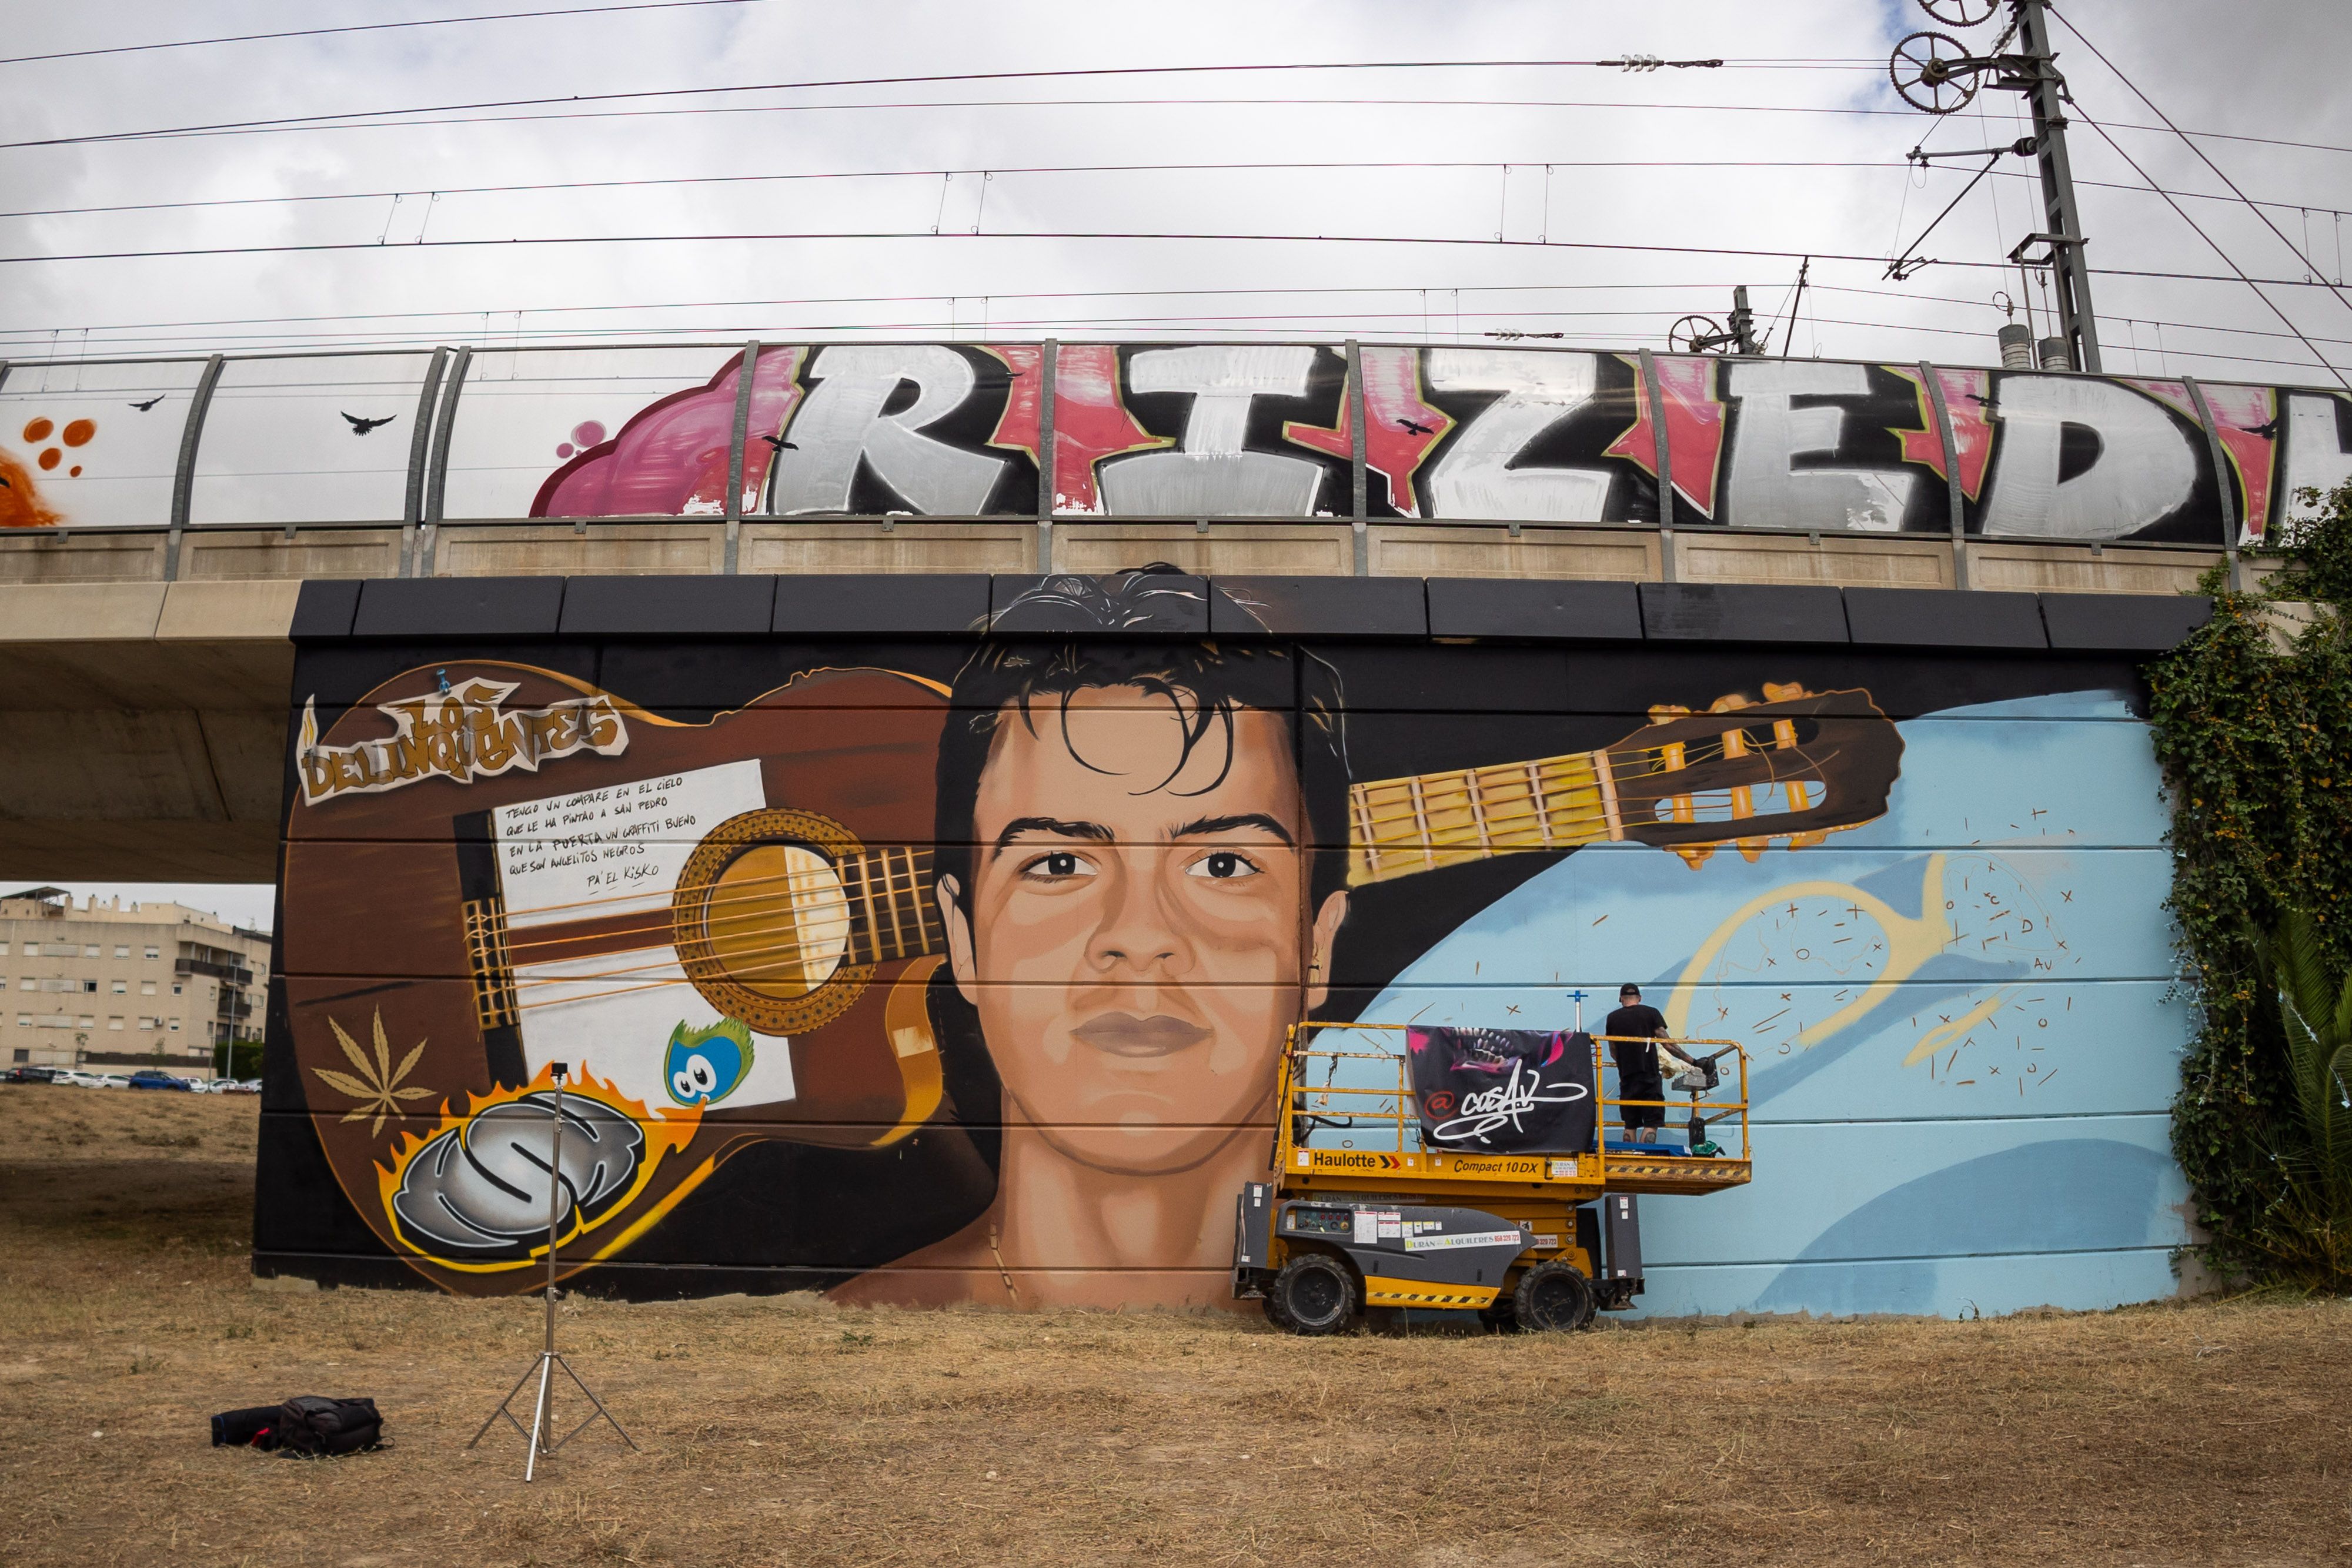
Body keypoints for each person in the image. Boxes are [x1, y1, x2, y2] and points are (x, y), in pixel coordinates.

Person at [831, 567, 1355, 1309]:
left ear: (1316, 946)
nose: (1138, 938)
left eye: (1222, 864)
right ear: (964, 939)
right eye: (1059, 863)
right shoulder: (865, 1323)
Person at [1603, 983, 1698, 1146]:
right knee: (1651, 1122)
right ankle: (1644, 1156)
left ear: (1621, 999)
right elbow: (1668, 1045)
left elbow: (1613, 1051)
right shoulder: (1651, 1013)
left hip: (1627, 1078)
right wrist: (1694, 1062)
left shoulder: (1612, 1018)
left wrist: (1625, 1066)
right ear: (1639, 998)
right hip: (1649, 1075)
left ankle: (1630, 1158)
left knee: (1630, 1124)